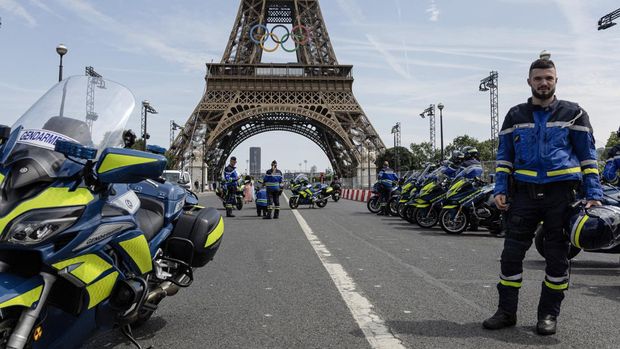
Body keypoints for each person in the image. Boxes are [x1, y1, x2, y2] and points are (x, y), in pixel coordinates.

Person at [483, 56, 603, 335]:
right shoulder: (515, 115)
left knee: (558, 258)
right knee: (511, 255)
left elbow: (588, 157)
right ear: (529, 82)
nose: (543, 83)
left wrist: (593, 193)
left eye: (548, 78)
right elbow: (504, 157)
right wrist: (500, 188)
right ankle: (506, 312)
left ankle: (548, 315)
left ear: (556, 80)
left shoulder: (574, 113)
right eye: (538, 78)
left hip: (561, 196)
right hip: (523, 194)